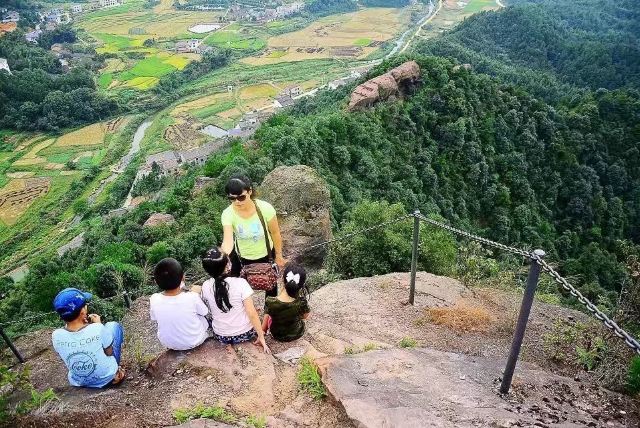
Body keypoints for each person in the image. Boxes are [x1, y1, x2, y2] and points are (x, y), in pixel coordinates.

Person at [220, 174, 285, 298]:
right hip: (242, 257)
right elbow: (228, 241)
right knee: (238, 289)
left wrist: (279, 255)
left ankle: (269, 309)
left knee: (271, 287)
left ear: (250, 191)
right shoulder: (228, 214)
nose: (237, 202)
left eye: (241, 197)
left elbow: (275, 233)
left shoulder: (265, 208)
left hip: (266, 255)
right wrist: (221, 258)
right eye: (232, 198)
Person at [51, 288, 126, 388]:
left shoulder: (56, 335)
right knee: (113, 326)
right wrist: (99, 325)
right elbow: (109, 353)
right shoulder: (97, 328)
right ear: (82, 311)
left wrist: (84, 325)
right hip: (107, 379)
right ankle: (116, 372)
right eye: (85, 305)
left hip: (79, 382)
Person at [200, 248, 270, 353]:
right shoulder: (240, 283)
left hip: (221, 335)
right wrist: (261, 336)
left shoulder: (205, 286)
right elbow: (251, 313)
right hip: (245, 334)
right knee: (254, 310)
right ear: (227, 266)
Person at [150, 257, 209, 351]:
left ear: (156, 282)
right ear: (183, 278)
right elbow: (205, 312)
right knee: (202, 318)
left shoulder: (154, 298)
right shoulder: (192, 296)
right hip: (195, 341)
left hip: (168, 343)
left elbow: (154, 318)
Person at [262, 263, 310, 342]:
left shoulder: (270, 301)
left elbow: (265, 323)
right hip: (297, 333)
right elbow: (305, 316)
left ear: (282, 279)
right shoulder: (302, 302)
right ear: (302, 285)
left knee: (269, 315)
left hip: (277, 335)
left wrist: (262, 331)